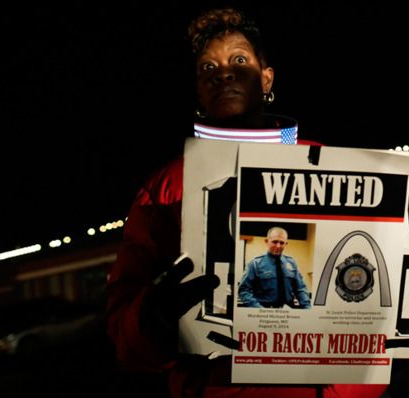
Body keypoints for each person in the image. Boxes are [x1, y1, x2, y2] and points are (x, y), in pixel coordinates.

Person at [105, 7, 388, 398]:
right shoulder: (166, 187)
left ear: (266, 76)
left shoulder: (327, 163)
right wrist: (153, 318)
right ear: (198, 90)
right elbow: (123, 329)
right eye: (208, 68)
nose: (224, 72)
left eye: (239, 59)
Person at [239, 227, 311, 308]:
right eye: (275, 242)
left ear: (286, 244)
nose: (278, 246)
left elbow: (300, 289)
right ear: (266, 241)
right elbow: (244, 291)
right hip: (263, 313)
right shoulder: (255, 264)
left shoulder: (291, 263)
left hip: (288, 313)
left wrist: (307, 308)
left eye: (282, 243)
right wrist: (259, 311)